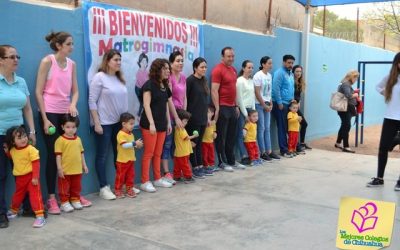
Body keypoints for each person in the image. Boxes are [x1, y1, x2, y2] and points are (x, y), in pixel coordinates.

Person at [35, 31, 81, 214]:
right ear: (59, 46)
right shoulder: (48, 61)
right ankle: (52, 198)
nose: (72, 47)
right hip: (50, 113)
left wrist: (72, 105)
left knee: (71, 154)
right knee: (55, 156)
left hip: (66, 114)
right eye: (69, 44)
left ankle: (70, 196)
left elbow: (75, 91)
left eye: (72, 43)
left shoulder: (72, 64)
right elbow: (38, 92)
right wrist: (45, 119)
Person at [0, 44, 36, 228]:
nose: (16, 60)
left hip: (20, 136)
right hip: (0, 135)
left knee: (25, 174)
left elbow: (27, 108)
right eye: (11, 57)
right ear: (1, 60)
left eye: (17, 57)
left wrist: (31, 131)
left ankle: (29, 207)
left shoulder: (21, 81)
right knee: (1, 175)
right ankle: (1, 214)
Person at [89, 49, 128, 200]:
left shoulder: (120, 78)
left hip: (119, 124)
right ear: (107, 61)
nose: (118, 62)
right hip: (104, 124)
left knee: (120, 155)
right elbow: (92, 100)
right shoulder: (99, 77)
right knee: (102, 156)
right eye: (115, 60)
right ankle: (103, 187)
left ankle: (121, 185)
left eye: (120, 59)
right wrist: (97, 123)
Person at [139, 58, 183, 193]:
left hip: (162, 125)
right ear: (157, 70)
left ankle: (157, 178)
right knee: (149, 153)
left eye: (168, 69)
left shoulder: (164, 85)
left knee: (158, 153)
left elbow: (166, 105)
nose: (167, 71)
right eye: (165, 69)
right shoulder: (149, 85)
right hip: (149, 125)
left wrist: (169, 122)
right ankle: (145, 181)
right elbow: (146, 105)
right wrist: (151, 123)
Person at [367, 52, 400, 190]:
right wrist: (386, 93)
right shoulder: (391, 78)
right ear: (396, 63)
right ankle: (379, 178)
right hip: (390, 117)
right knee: (383, 148)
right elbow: (378, 87)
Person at [211, 47, 245, 172]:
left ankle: (231, 160)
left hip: (232, 107)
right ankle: (221, 162)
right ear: (222, 57)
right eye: (228, 56)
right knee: (221, 136)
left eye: (232, 56)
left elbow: (233, 89)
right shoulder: (217, 70)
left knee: (231, 136)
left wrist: (236, 105)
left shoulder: (234, 70)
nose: (231, 58)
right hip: (222, 107)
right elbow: (214, 90)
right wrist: (217, 108)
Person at [5, 126, 45, 228]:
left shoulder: (31, 149)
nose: (23, 139)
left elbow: (36, 163)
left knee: (35, 196)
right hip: (20, 179)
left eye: (24, 136)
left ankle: (40, 216)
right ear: (13, 142)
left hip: (31, 178)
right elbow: (11, 155)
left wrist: (35, 177)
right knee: (17, 196)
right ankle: (14, 211)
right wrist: (6, 150)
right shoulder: (13, 150)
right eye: (19, 138)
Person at [160, 51, 187, 184]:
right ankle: (166, 173)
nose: (180, 63)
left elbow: (184, 97)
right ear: (171, 63)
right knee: (168, 144)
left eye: (182, 60)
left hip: (180, 117)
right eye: (177, 60)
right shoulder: (168, 77)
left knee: (179, 145)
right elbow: (168, 99)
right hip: (170, 116)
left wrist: (184, 116)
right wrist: (175, 118)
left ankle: (178, 171)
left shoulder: (183, 77)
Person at [55, 115, 90, 212]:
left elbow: (81, 153)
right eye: (68, 127)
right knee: (64, 188)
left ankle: (75, 200)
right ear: (62, 127)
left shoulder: (78, 140)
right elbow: (58, 156)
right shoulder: (60, 140)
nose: (71, 130)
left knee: (76, 186)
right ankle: (64, 203)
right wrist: (59, 168)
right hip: (65, 170)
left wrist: (84, 165)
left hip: (77, 169)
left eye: (73, 127)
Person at [186, 57, 212, 177]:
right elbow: (186, 99)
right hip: (193, 118)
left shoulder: (204, 80)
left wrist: (207, 117)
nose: (204, 69)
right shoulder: (190, 81)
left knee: (199, 143)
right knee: (193, 144)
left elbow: (205, 101)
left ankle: (201, 165)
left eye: (205, 67)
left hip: (202, 117)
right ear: (195, 68)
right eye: (202, 67)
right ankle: (195, 167)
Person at [253, 56, 280, 162]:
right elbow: (257, 92)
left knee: (267, 128)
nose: (271, 65)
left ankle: (269, 151)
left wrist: (271, 103)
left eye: (271, 63)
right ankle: (262, 152)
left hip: (268, 104)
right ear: (263, 64)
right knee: (261, 128)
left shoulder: (269, 75)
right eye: (269, 63)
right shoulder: (258, 76)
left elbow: (269, 91)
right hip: (259, 104)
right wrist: (263, 104)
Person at [271, 55, 295, 158]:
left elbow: (290, 87)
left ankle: (290, 148)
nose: (291, 65)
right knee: (282, 126)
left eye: (292, 63)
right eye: (289, 63)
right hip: (280, 104)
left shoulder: (290, 73)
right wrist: (280, 102)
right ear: (284, 62)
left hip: (288, 103)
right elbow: (276, 88)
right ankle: (284, 150)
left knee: (286, 126)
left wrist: (292, 98)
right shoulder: (279, 73)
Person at [115, 113, 143, 198]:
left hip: (131, 159)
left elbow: (131, 145)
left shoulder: (131, 134)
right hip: (122, 160)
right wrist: (135, 143)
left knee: (131, 176)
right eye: (130, 123)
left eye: (133, 123)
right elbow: (124, 145)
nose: (132, 126)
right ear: (123, 124)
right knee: (120, 176)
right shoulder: (120, 134)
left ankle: (129, 189)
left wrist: (137, 145)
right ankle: (118, 190)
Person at [334, 70, 359, 153]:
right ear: (352, 77)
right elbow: (348, 95)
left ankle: (338, 143)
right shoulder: (346, 84)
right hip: (345, 109)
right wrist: (355, 95)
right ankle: (346, 146)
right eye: (356, 78)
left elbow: (346, 93)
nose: (356, 80)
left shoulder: (345, 84)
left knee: (344, 125)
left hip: (346, 108)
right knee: (346, 126)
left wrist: (353, 92)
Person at [235, 60, 255, 166]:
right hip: (243, 110)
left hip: (250, 110)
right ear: (243, 68)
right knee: (241, 134)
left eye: (252, 68)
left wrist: (253, 112)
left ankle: (251, 154)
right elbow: (240, 99)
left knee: (249, 134)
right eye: (249, 67)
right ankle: (244, 156)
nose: (251, 69)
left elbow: (252, 97)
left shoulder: (251, 81)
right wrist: (245, 114)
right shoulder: (239, 81)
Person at [173, 109, 198, 183]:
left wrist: (190, 143)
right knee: (185, 165)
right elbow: (186, 138)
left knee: (178, 165)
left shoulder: (178, 128)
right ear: (179, 121)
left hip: (179, 152)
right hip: (183, 152)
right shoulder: (181, 129)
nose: (186, 123)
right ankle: (188, 177)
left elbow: (184, 139)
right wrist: (194, 136)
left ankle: (177, 176)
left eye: (187, 121)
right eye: (185, 121)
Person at [292, 65, 311, 152]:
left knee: (303, 124)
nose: (299, 73)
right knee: (296, 125)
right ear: (293, 72)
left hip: (296, 106)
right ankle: (296, 145)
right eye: (297, 71)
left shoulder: (300, 82)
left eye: (300, 71)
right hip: (291, 107)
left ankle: (302, 143)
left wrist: (299, 102)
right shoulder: (291, 81)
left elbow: (298, 95)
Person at [202, 105, 218, 172]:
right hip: (204, 141)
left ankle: (211, 165)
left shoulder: (213, 123)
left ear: (212, 113)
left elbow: (214, 131)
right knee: (204, 155)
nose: (206, 114)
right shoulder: (204, 121)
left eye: (208, 112)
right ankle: (206, 166)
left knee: (211, 154)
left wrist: (215, 134)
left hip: (211, 141)